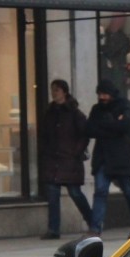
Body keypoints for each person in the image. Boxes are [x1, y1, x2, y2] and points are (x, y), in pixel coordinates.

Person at [85, 79, 130, 239]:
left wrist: (104, 126)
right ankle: (95, 228)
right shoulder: (96, 109)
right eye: (100, 94)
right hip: (103, 158)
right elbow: (90, 129)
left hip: (121, 157)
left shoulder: (123, 105)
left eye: (105, 94)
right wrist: (111, 126)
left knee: (128, 190)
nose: (102, 97)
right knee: (100, 192)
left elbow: (125, 126)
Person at [38, 79, 91, 240]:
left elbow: (85, 134)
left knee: (75, 193)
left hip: (69, 160)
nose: (54, 93)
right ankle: (53, 229)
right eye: (52, 90)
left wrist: (76, 152)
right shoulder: (50, 112)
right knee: (53, 195)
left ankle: (93, 221)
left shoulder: (75, 113)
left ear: (64, 92)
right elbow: (45, 135)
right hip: (53, 160)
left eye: (57, 90)